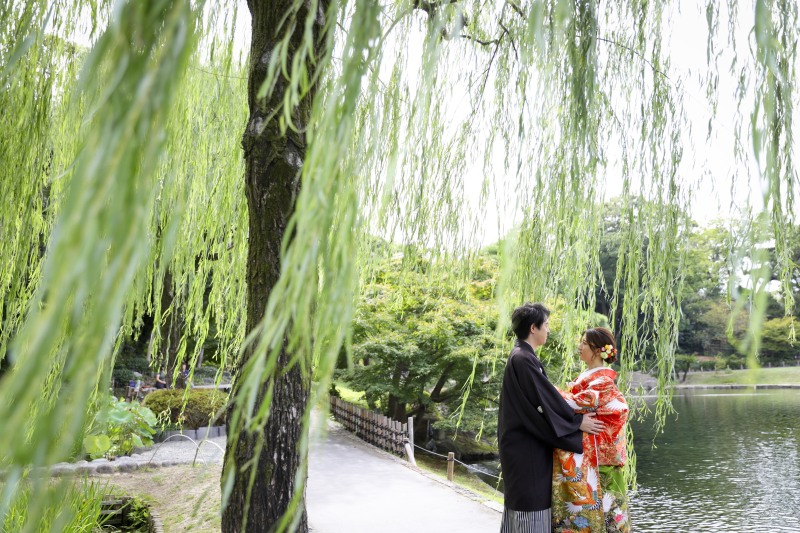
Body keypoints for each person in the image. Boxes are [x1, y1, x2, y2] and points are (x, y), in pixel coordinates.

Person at [498, 303, 604, 533]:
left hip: (522, 443)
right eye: (545, 325)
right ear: (533, 328)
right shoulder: (523, 358)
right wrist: (577, 422)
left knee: (523, 505)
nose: (548, 330)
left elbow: (544, 400)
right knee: (530, 502)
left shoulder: (521, 356)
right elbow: (543, 402)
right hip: (526, 448)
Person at [552, 327, 630, 532]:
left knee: (607, 510)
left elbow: (576, 404)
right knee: (593, 509)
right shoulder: (589, 377)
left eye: (584, 343)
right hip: (591, 452)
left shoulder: (603, 381)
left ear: (596, 350)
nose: (579, 347)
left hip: (600, 457)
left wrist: (547, 391)